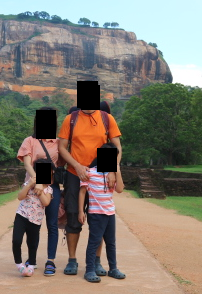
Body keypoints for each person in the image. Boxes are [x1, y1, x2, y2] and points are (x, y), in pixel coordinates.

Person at [58, 107, 122, 275]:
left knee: (99, 218)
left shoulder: (106, 118)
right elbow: (62, 147)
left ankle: (96, 261)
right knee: (73, 216)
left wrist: (113, 170)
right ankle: (72, 260)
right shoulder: (70, 119)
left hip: (101, 172)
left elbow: (117, 147)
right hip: (74, 172)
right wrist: (77, 166)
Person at [17, 107, 62, 276]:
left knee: (52, 224)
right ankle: (32, 259)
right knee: (31, 224)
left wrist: (43, 185)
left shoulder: (57, 143)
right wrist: (36, 181)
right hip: (32, 185)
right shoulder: (30, 140)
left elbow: (60, 164)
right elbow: (27, 163)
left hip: (50, 187)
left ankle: (50, 260)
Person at [79, 143, 126, 282]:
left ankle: (113, 268)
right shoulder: (90, 173)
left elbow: (120, 189)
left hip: (110, 213)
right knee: (94, 242)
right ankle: (89, 270)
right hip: (96, 213)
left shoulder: (112, 175)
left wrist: (117, 170)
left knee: (111, 242)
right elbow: (82, 193)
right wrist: (80, 211)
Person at [12, 158, 53, 277]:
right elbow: (20, 197)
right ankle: (19, 264)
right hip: (22, 215)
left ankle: (31, 264)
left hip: (36, 219)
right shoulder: (28, 184)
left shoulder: (48, 189)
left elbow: (46, 203)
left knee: (32, 243)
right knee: (16, 240)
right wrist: (30, 184)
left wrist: (40, 189)